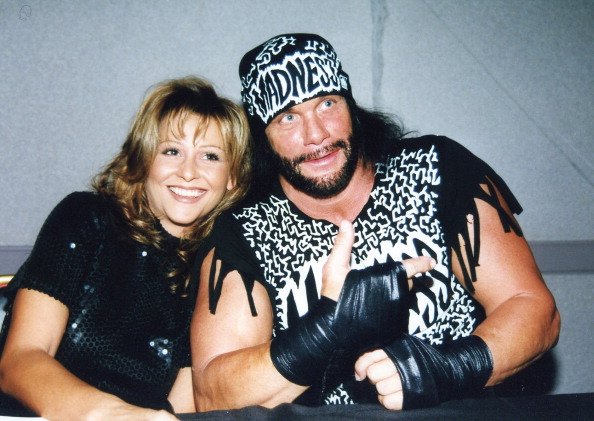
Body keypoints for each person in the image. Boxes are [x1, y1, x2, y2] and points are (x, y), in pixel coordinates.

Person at [190, 33, 560, 410]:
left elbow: (532, 308)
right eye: (287, 117)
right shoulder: (246, 230)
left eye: (327, 103)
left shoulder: (436, 170)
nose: (316, 134)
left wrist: (447, 369)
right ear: (262, 136)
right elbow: (213, 393)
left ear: (350, 105)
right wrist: (327, 330)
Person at [0, 76, 251, 419]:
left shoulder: (222, 267)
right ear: (145, 159)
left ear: (232, 177)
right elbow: (19, 360)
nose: (189, 172)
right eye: (172, 151)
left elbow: (186, 402)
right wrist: (112, 415)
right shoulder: (86, 219)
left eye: (210, 156)